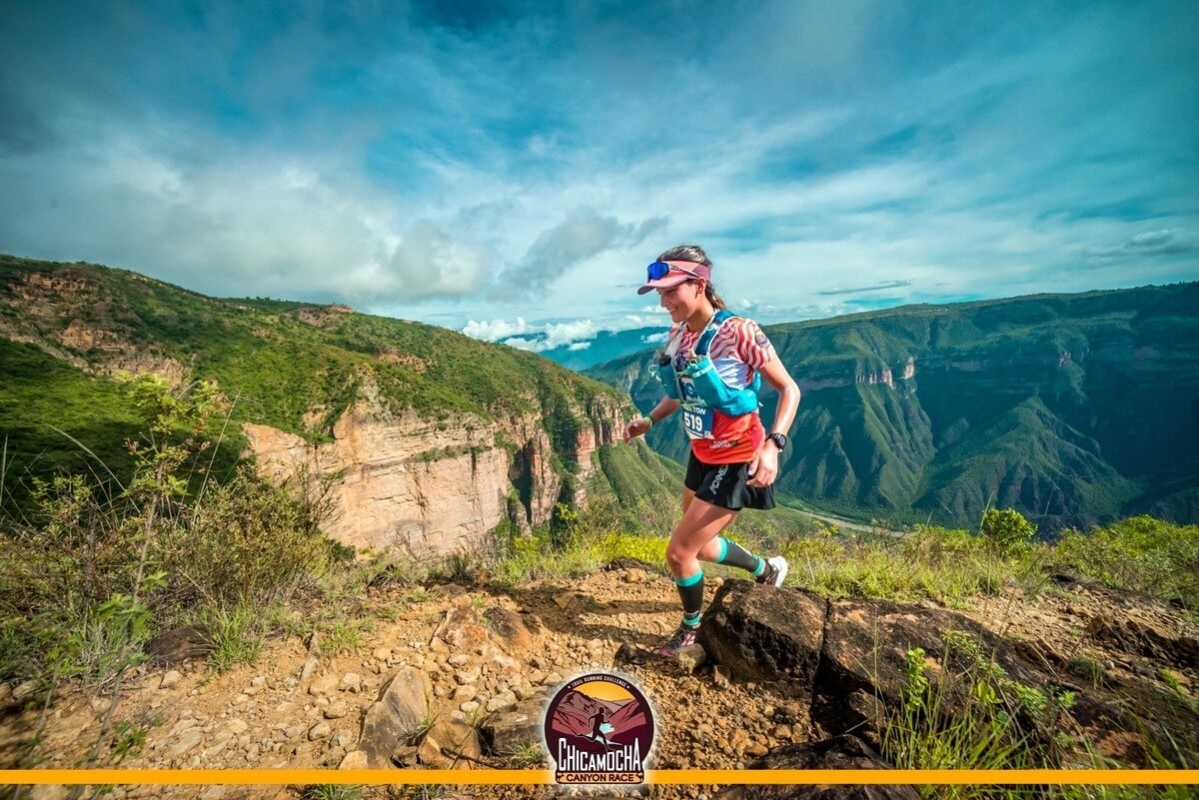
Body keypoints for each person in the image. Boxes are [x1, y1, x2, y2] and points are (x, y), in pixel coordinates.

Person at [623, 244, 801, 659]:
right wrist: (650, 420)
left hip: (738, 456)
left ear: (698, 284)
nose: (663, 302)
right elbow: (681, 395)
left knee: (678, 552)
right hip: (701, 454)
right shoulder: (679, 337)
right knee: (701, 547)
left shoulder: (740, 331)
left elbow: (788, 388)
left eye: (670, 291)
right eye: (659, 294)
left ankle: (691, 630)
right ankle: (766, 569)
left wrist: (773, 445)